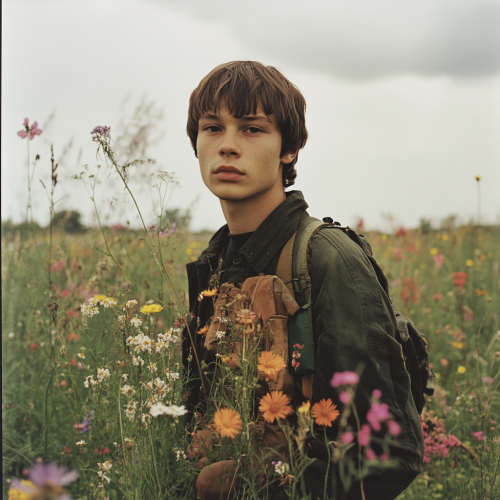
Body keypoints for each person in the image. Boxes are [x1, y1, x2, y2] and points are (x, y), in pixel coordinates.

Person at [182, 60, 423, 499]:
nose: (228, 146)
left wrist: (252, 485)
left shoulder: (327, 258)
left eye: (252, 129)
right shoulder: (213, 266)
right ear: (195, 142)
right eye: (212, 128)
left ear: (289, 148)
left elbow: (387, 454)